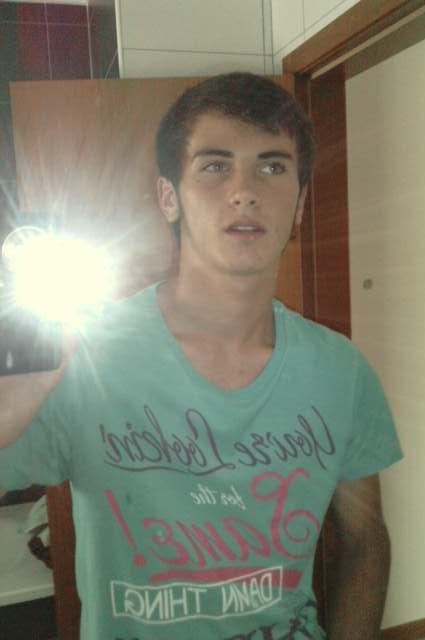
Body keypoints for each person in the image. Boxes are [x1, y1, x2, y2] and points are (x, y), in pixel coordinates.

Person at [0, 72, 403, 640]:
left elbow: (366, 541)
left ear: (300, 203)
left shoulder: (342, 372)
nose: (245, 190)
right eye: (215, 165)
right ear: (169, 196)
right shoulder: (85, 356)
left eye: (272, 167)